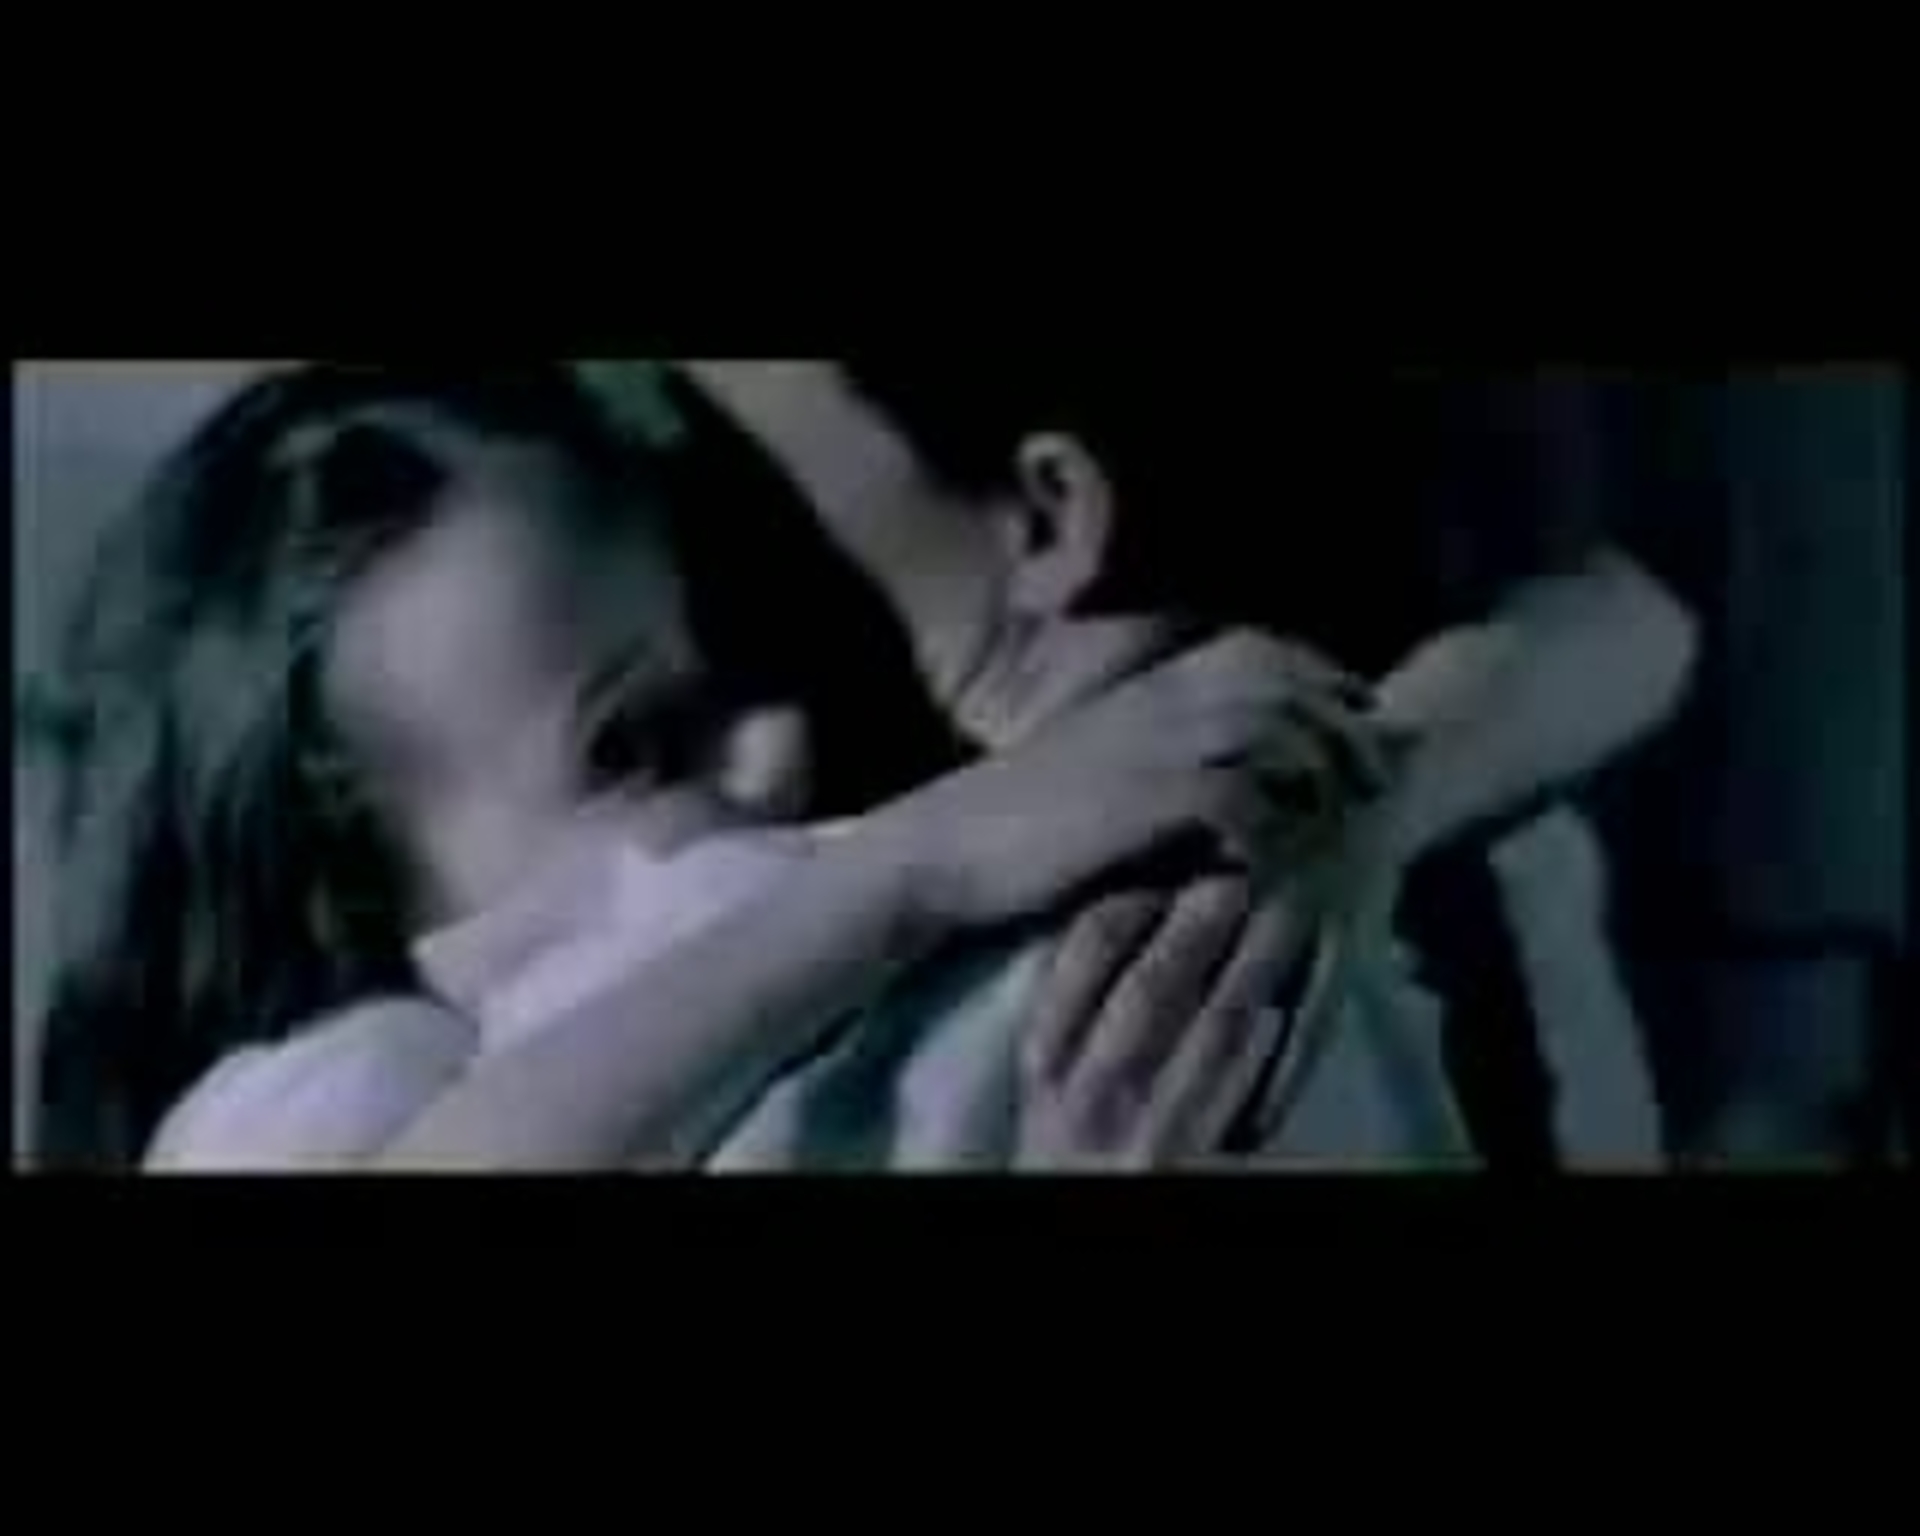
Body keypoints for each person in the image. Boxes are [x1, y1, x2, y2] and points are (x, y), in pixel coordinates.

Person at [36, 363, 1363, 1171]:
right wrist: (914, 869)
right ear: (368, 908)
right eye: (627, 747)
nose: (779, 743)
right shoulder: (328, 1091)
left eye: (734, 651)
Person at [681, 362, 1697, 1165]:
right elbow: (1623, 614)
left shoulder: (1122, 988)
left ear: (1050, 512)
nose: (688, 426)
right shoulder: (1513, 838)